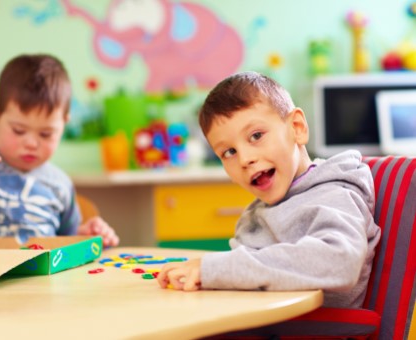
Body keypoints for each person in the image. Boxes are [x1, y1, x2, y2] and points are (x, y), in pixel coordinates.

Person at [157, 71, 381, 308]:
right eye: (229, 152)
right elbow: (244, 277)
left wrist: (215, 269)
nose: (244, 159)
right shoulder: (255, 216)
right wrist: (208, 274)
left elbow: (340, 261)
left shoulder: (333, 194)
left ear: (296, 128)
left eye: (256, 136)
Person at [0, 53, 119, 247]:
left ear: (64, 124)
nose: (31, 143)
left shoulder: (60, 184)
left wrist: (85, 236)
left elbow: (66, 242)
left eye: (46, 134)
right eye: (19, 130)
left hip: (37, 278)